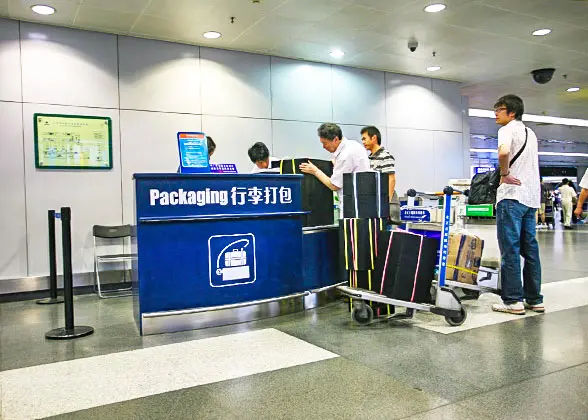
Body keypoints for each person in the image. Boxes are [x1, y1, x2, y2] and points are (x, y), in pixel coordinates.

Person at [492, 94, 543, 315]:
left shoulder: (506, 130)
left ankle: (513, 300)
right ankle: (534, 299)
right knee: (530, 249)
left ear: (511, 113)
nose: (495, 113)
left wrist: (504, 173)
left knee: (510, 249)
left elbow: (503, 152)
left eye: (499, 109)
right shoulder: (531, 133)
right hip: (531, 198)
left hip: (512, 196)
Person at [299, 123, 370, 216]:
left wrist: (315, 171)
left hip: (354, 207)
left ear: (336, 139)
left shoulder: (345, 155)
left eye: (325, 143)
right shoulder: (354, 145)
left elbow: (334, 185)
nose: (323, 147)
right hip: (364, 204)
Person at [360, 126, 401, 225]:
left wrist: (386, 202)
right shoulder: (368, 159)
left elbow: (391, 179)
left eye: (364, 138)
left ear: (374, 138)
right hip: (376, 203)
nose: (363, 142)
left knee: (387, 236)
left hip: (388, 205)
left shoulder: (385, 155)